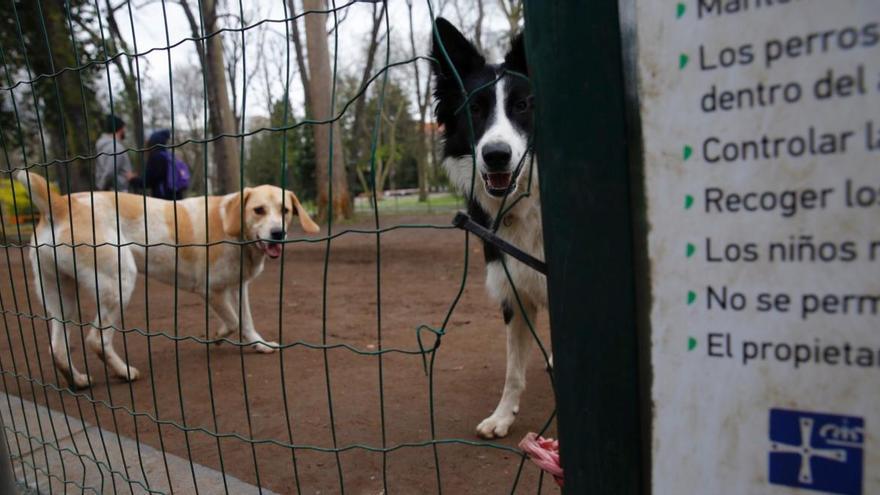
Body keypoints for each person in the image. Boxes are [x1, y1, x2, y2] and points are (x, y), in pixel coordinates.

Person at [95, 114, 137, 192]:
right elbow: (110, 172)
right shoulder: (116, 148)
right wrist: (101, 188)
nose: (125, 130)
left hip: (110, 193)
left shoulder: (102, 145)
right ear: (120, 129)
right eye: (124, 128)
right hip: (119, 193)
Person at [145, 129, 190, 200]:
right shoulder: (170, 156)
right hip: (177, 197)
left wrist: (134, 180)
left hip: (163, 199)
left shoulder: (155, 156)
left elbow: (149, 180)